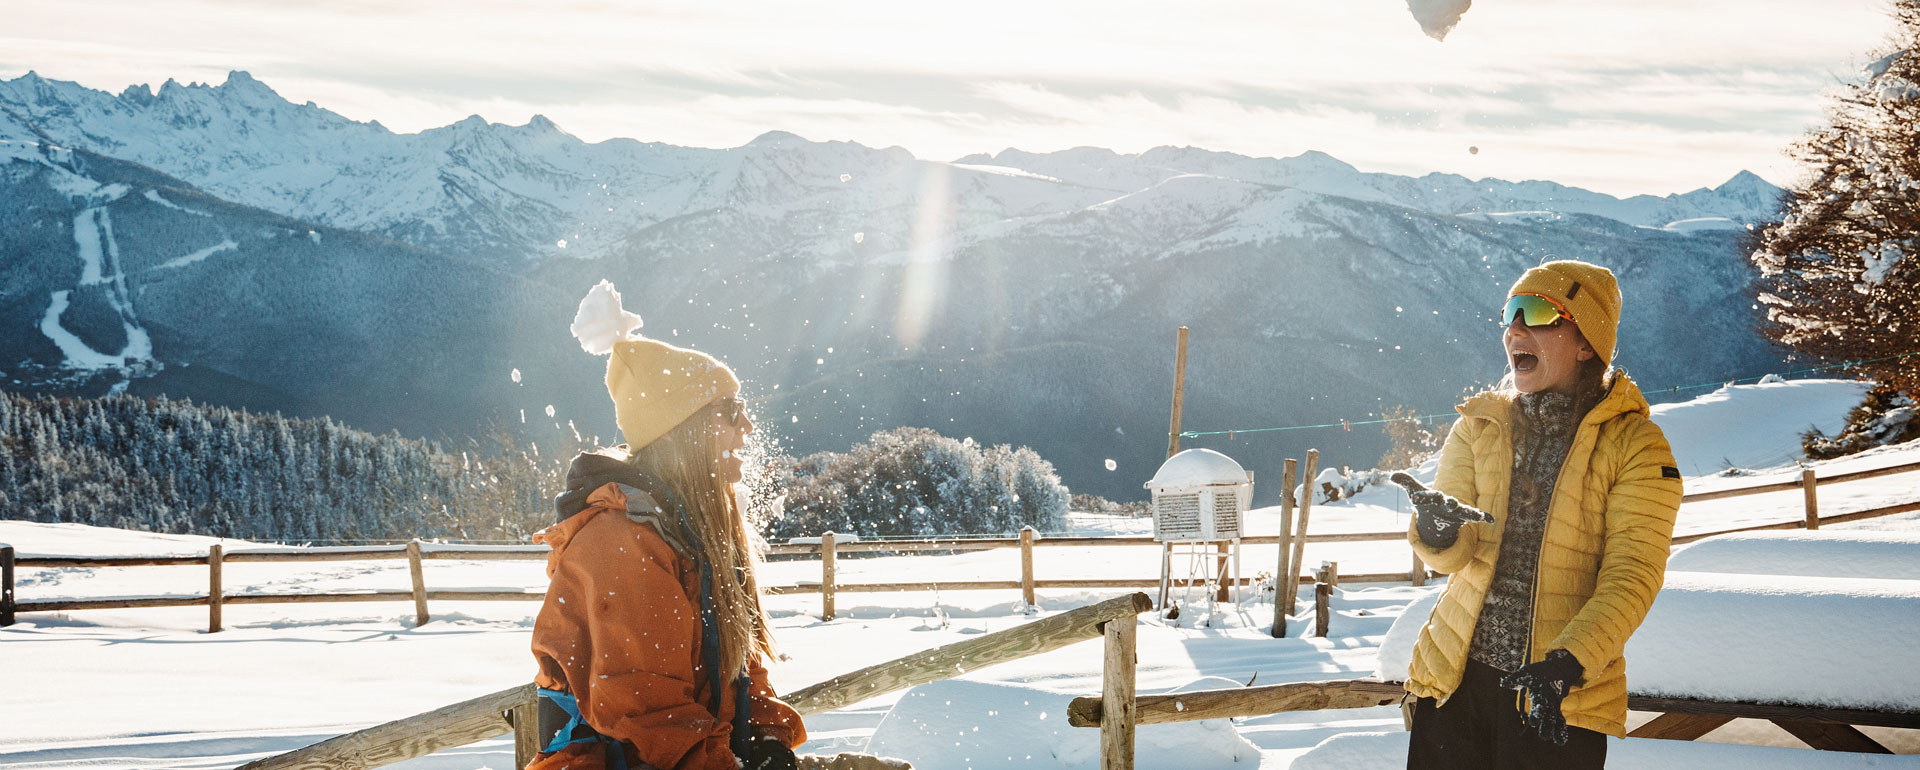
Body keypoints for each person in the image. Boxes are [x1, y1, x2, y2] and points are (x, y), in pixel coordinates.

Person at [529, 282, 908, 770]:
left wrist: (768, 741)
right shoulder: (621, 545)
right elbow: (651, 715)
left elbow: (734, 671)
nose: (746, 426)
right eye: (729, 412)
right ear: (685, 432)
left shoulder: (690, 535)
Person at [1392, 260, 1683, 770]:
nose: (1515, 329)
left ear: (1586, 342)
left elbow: (1633, 574)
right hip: (1453, 681)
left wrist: (1567, 662)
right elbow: (1454, 558)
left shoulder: (1636, 445)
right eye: (1510, 312)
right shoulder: (1479, 426)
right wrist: (1438, 531)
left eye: (1537, 312)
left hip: (1559, 695)